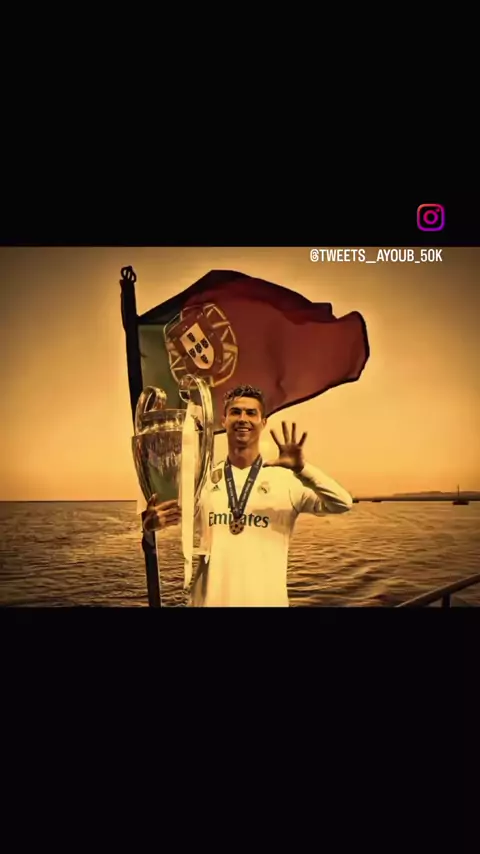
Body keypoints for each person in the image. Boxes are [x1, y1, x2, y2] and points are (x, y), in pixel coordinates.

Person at [141, 384, 352, 607]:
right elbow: (160, 527)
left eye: (251, 413)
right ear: (224, 421)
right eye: (235, 412)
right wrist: (149, 528)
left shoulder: (287, 480)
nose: (243, 419)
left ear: (263, 422)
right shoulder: (202, 481)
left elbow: (342, 503)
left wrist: (303, 468)